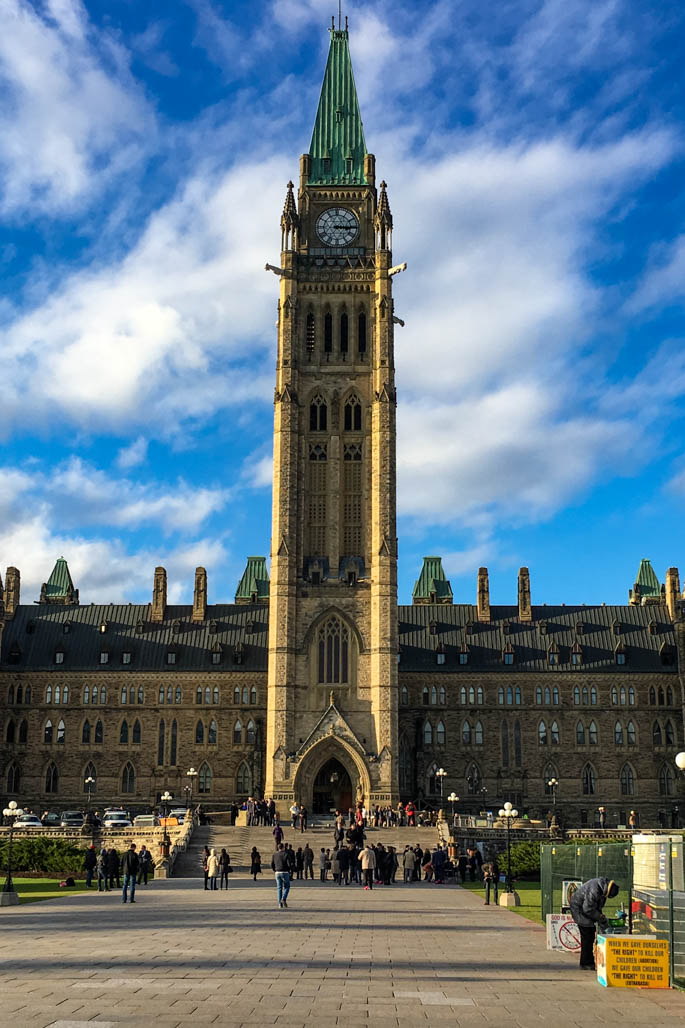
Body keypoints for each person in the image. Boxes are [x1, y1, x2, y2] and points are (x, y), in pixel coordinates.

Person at [569, 877, 619, 970]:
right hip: (579, 910)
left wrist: (600, 917)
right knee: (587, 936)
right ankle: (586, 963)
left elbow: (597, 906)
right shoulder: (594, 890)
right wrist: (599, 917)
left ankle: (588, 962)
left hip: (584, 909)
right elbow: (587, 908)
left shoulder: (602, 888)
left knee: (590, 934)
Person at [272, 843, 291, 908]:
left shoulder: (275, 854)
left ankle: (280, 904)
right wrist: (289, 870)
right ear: (283, 847)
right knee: (287, 886)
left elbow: (272, 863)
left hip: (277, 872)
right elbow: (289, 864)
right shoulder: (286, 854)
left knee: (279, 888)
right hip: (285, 872)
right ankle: (283, 898)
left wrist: (275, 870)